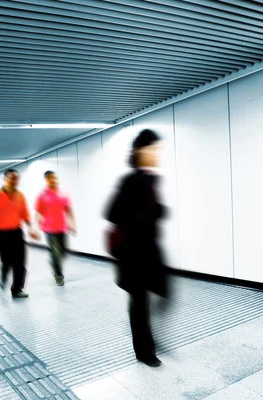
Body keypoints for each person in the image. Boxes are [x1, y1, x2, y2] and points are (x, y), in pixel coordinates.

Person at [105, 129, 168, 368]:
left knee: (158, 295)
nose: (157, 154)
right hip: (133, 254)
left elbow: (153, 211)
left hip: (149, 251)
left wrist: (156, 211)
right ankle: (144, 351)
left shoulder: (150, 179)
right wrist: (144, 215)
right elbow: (111, 213)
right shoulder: (131, 181)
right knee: (140, 303)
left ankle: (149, 339)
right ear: (141, 151)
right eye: (154, 149)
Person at [0, 169, 40, 298]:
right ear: (5, 179)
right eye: (12, 178)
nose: (15, 181)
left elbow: (25, 215)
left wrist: (31, 229)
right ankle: (4, 277)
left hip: (17, 233)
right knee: (6, 262)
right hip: (2, 234)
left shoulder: (20, 196)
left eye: (16, 179)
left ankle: (17, 289)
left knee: (20, 263)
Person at [34, 171, 76, 286]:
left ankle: (53, 261)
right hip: (49, 229)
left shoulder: (63, 192)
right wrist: (35, 228)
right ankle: (58, 276)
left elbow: (68, 209)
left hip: (62, 228)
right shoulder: (42, 195)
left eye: (55, 178)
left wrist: (72, 224)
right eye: (51, 178)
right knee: (55, 253)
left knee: (63, 252)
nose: (54, 180)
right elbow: (38, 212)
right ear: (46, 179)